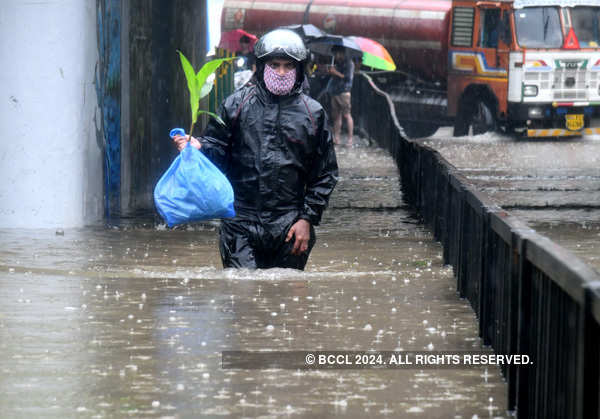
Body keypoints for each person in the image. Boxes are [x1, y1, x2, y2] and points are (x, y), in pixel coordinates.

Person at [173, 29, 338, 270]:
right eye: (275, 65)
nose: (281, 72)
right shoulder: (236, 104)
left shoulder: (313, 114)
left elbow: (325, 173)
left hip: (290, 223)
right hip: (240, 219)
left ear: (299, 69)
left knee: (285, 297)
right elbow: (217, 150)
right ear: (262, 66)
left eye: (288, 66)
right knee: (242, 294)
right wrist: (198, 147)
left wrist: (307, 218)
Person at [328, 45, 355, 147]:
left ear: (342, 53)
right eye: (335, 54)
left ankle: (350, 139)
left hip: (344, 91)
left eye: (337, 53)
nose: (336, 55)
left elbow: (348, 78)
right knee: (336, 116)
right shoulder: (338, 62)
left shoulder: (349, 63)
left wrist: (336, 72)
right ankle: (336, 138)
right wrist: (332, 72)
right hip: (335, 91)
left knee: (347, 115)